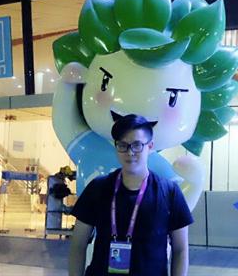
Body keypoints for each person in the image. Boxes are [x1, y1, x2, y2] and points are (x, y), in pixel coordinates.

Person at [68, 114, 193, 276]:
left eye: (137, 145)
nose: (130, 152)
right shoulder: (98, 188)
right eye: (122, 145)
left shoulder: (169, 192)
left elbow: (180, 249)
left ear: (150, 146)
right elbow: (78, 244)